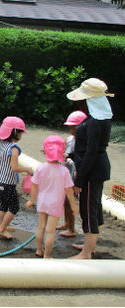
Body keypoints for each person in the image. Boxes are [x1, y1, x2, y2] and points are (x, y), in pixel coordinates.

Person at [66, 78, 114, 259]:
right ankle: (90, 245)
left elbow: (91, 152)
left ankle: (86, 253)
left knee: (88, 210)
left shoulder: (95, 122)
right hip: (96, 168)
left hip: (92, 170)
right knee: (94, 206)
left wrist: (80, 178)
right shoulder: (99, 119)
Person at [26, 135, 78, 258]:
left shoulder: (40, 168)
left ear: (45, 151)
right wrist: (73, 206)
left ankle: (39, 250)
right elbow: (69, 191)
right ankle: (47, 256)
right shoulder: (64, 171)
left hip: (42, 202)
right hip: (55, 204)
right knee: (50, 231)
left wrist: (31, 200)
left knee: (41, 227)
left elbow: (34, 186)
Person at [0, 116, 35, 239]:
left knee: (3, 205)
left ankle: (1, 226)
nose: (21, 135)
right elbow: (14, 168)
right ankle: (1, 229)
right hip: (6, 182)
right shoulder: (13, 149)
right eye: (20, 132)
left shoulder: (0, 145)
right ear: (14, 133)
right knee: (14, 207)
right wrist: (27, 169)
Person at [57, 110, 87, 238]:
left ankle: (72, 228)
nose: (71, 130)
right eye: (70, 127)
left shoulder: (84, 142)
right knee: (65, 202)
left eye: (74, 127)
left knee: (70, 202)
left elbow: (82, 159)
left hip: (75, 177)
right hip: (67, 174)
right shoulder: (70, 139)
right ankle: (66, 222)